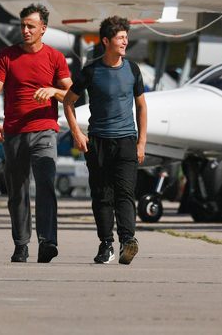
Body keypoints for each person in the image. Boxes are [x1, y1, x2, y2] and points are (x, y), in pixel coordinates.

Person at [0, 3, 72, 263]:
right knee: (18, 191)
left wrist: (53, 91)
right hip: (14, 132)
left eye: (30, 26)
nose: (24, 30)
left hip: (44, 130)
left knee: (46, 184)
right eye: (22, 25)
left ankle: (47, 242)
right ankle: (21, 244)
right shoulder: (7, 56)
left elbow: (73, 94)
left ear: (43, 29)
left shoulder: (55, 58)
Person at [63, 16, 146, 265]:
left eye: (126, 38)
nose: (125, 42)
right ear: (106, 41)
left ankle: (128, 241)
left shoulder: (132, 69)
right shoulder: (90, 70)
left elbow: (142, 106)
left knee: (125, 193)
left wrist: (141, 142)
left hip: (126, 141)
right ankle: (106, 244)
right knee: (102, 195)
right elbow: (68, 102)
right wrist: (77, 132)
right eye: (120, 38)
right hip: (97, 141)